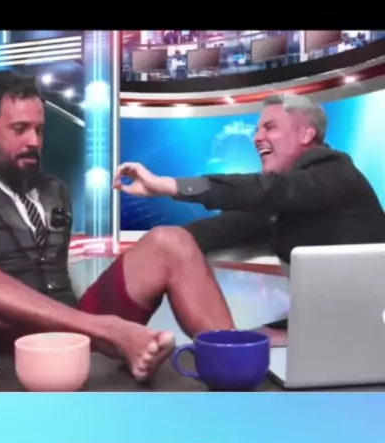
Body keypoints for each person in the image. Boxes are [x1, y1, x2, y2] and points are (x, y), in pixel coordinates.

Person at [0, 70, 244, 382]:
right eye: (20, 129)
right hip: (10, 342)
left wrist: (86, 326)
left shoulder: (56, 191)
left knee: (172, 241)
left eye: (39, 130)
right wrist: (102, 327)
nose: (34, 141)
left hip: (79, 329)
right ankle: (109, 333)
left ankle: (236, 373)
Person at [114, 93, 385, 328]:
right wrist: (150, 252)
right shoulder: (284, 200)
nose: (257, 138)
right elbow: (216, 230)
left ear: (306, 133)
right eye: (257, 130)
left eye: (270, 128)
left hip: (367, 328)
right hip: (322, 323)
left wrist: (170, 185)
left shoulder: (334, 171)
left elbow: (268, 190)